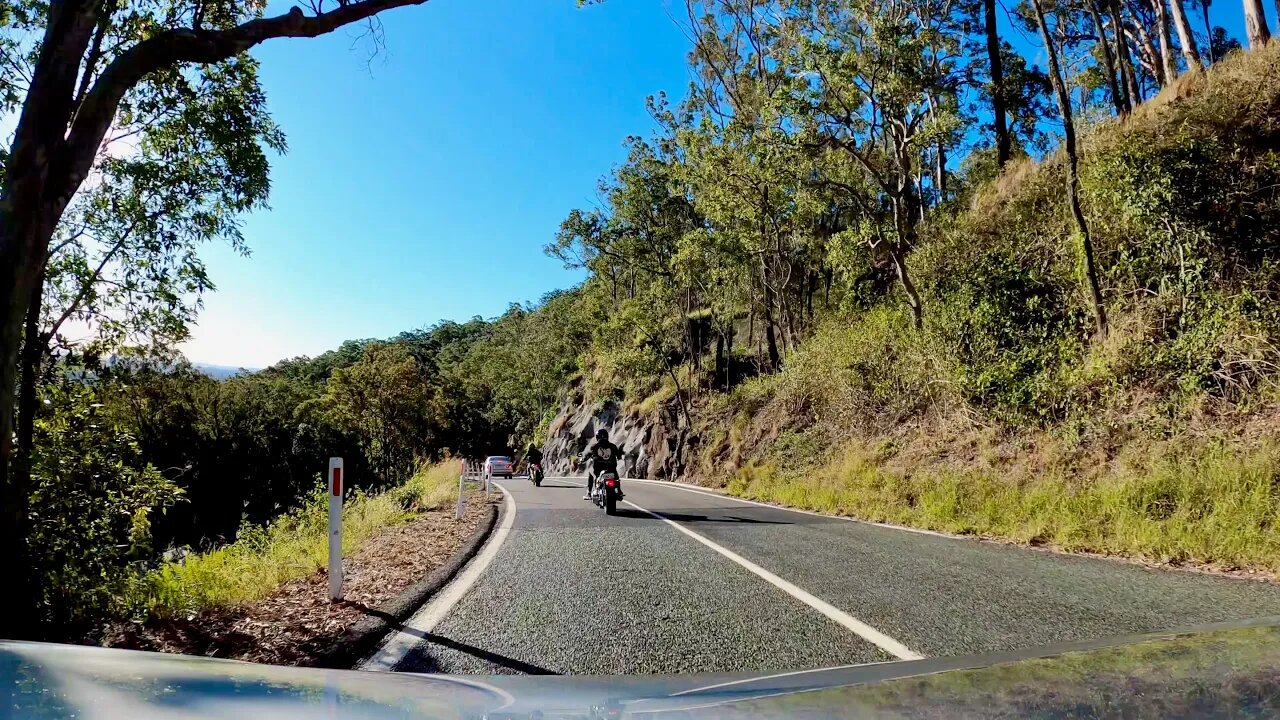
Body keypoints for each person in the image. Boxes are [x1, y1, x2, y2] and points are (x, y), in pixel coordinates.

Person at [581, 428, 622, 500]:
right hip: (611, 467)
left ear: (597, 437)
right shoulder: (612, 446)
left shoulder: (594, 447)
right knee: (616, 477)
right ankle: (619, 491)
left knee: (592, 474)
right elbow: (619, 454)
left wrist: (583, 459)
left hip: (598, 468)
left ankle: (589, 492)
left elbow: (587, 455)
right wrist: (619, 456)